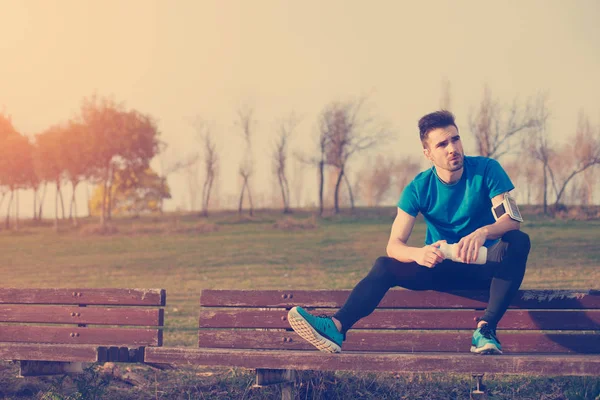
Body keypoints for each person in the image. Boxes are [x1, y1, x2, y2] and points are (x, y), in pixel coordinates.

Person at [288, 110, 531, 355]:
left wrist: (484, 232)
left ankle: (485, 330)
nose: (452, 148)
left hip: (483, 267)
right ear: (428, 153)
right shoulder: (417, 188)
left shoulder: (487, 170)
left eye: (455, 139)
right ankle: (336, 328)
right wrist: (418, 254)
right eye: (442, 144)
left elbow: (511, 220)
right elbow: (394, 245)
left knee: (518, 241)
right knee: (384, 265)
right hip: (440, 269)